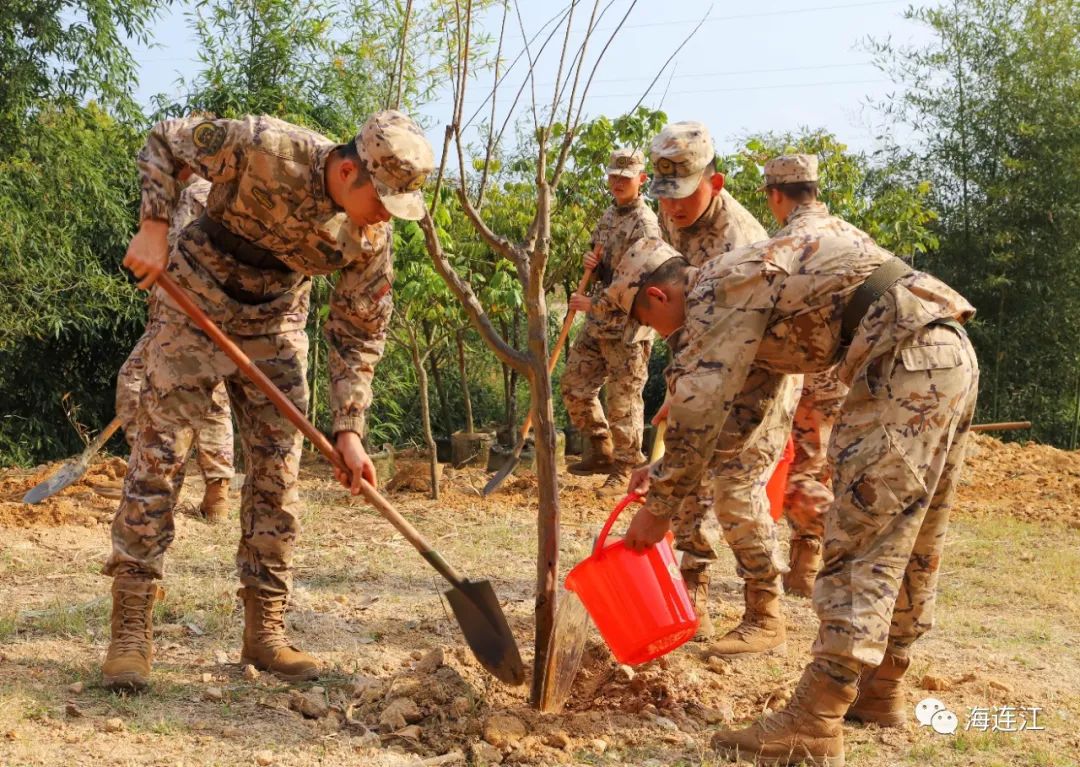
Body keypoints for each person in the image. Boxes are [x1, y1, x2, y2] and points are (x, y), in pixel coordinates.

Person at [609, 154, 978, 765]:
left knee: (861, 535)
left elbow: (699, 407)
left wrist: (658, 509)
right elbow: (737, 418)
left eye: (648, 323)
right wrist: (670, 469)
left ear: (656, 294)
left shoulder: (716, 290)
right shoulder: (744, 292)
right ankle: (882, 687)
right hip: (940, 352)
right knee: (913, 534)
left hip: (902, 364)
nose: (660, 338)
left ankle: (815, 717)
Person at [103, 110, 434, 691]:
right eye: (381, 199)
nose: (385, 215)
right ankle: (130, 627)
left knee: (278, 474)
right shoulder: (263, 146)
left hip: (276, 318)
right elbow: (162, 137)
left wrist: (348, 429)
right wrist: (154, 226)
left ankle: (265, 631)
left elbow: (359, 332)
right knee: (160, 459)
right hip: (193, 300)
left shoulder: (370, 238)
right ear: (349, 169)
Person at [650, 121, 799, 649]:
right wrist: (680, 387)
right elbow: (683, 315)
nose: (673, 209)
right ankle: (695, 596)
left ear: (715, 182)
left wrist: (685, 396)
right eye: (664, 197)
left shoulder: (742, 240)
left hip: (760, 366)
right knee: (687, 476)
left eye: (684, 195)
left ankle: (765, 612)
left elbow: (736, 338)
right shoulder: (673, 223)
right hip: (704, 364)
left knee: (735, 487)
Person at [114, 175, 235, 524]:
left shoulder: (196, 196)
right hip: (204, 316)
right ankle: (216, 495)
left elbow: (184, 263)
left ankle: (153, 473)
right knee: (213, 400)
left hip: (186, 318)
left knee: (135, 381)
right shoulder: (205, 193)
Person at [561, 148, 661, 495]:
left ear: (641, 180)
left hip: (629, 325)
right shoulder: (609, 215)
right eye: (613, 176)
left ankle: (627, 466)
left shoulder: (646, 224)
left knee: (624, 401)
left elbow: (638, 282)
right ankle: (602, 449)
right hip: (598, 323)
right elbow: (606, 267)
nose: (617, 182)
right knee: (574, 386)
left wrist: (593, 303)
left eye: (625, 177)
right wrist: (594, 260)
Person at [781, 370, 849, 597]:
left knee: (796, 475)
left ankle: (862, 547)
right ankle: (803, 569)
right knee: (815, 465)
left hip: (814, 366)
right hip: (842, 370)